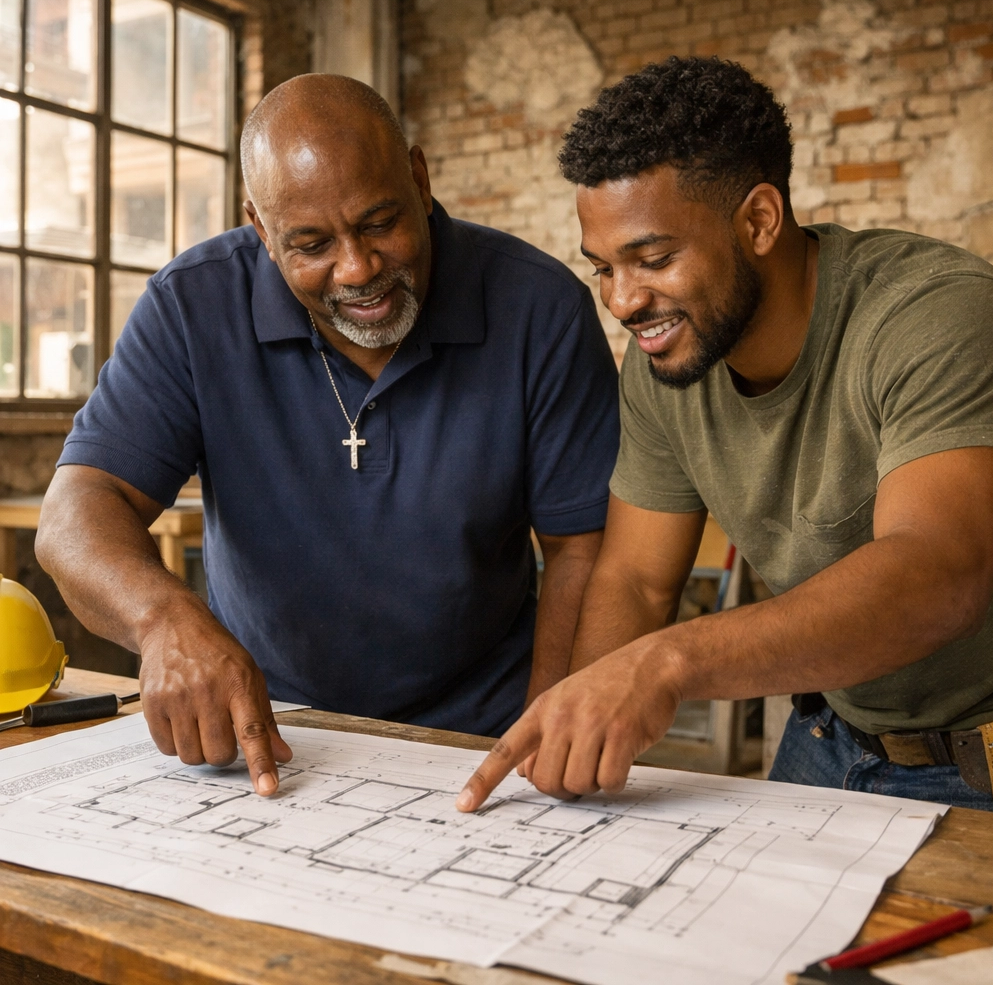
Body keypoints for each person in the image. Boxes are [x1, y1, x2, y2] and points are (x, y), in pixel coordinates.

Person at [456, 55, 993, 815]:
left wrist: (670, 663)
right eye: (603, 269)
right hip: (831, 737)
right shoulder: (665, 362)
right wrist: (578, 721)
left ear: (759, 220)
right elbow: (635, 579)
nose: (623, 302)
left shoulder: (937, 313)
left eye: (653, 259)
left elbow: (939, 575)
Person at [36, 74, 619, 797]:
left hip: (479, 733)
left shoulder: (539, 309)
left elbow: (580, 549)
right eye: (310, 243)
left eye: (379, 222)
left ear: (419, 176)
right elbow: (75, 510)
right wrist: (163, 620)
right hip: (271, 729)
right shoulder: (191, 307)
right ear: (259, 229)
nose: (357, 269)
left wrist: (544, 726)